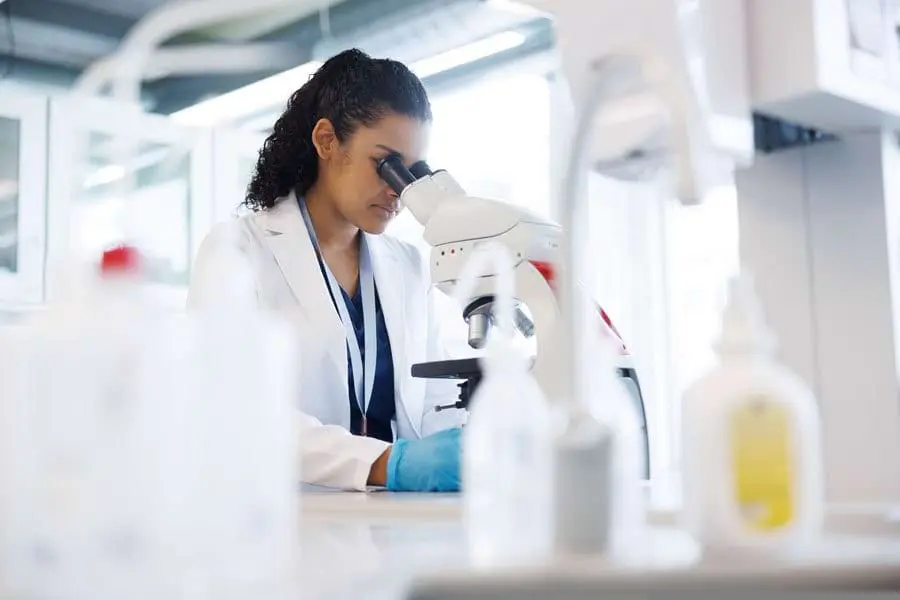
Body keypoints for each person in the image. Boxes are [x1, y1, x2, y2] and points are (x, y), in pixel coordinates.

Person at [187, 49, 465, 492]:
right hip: (285, 517)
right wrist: (385, 462)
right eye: (386, 165)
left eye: (412, 173)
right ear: (327, 141)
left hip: (393, 520)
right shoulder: (238, 250)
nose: (400, 191)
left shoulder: (409, 266)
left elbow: (432, 406)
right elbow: (232, 405)